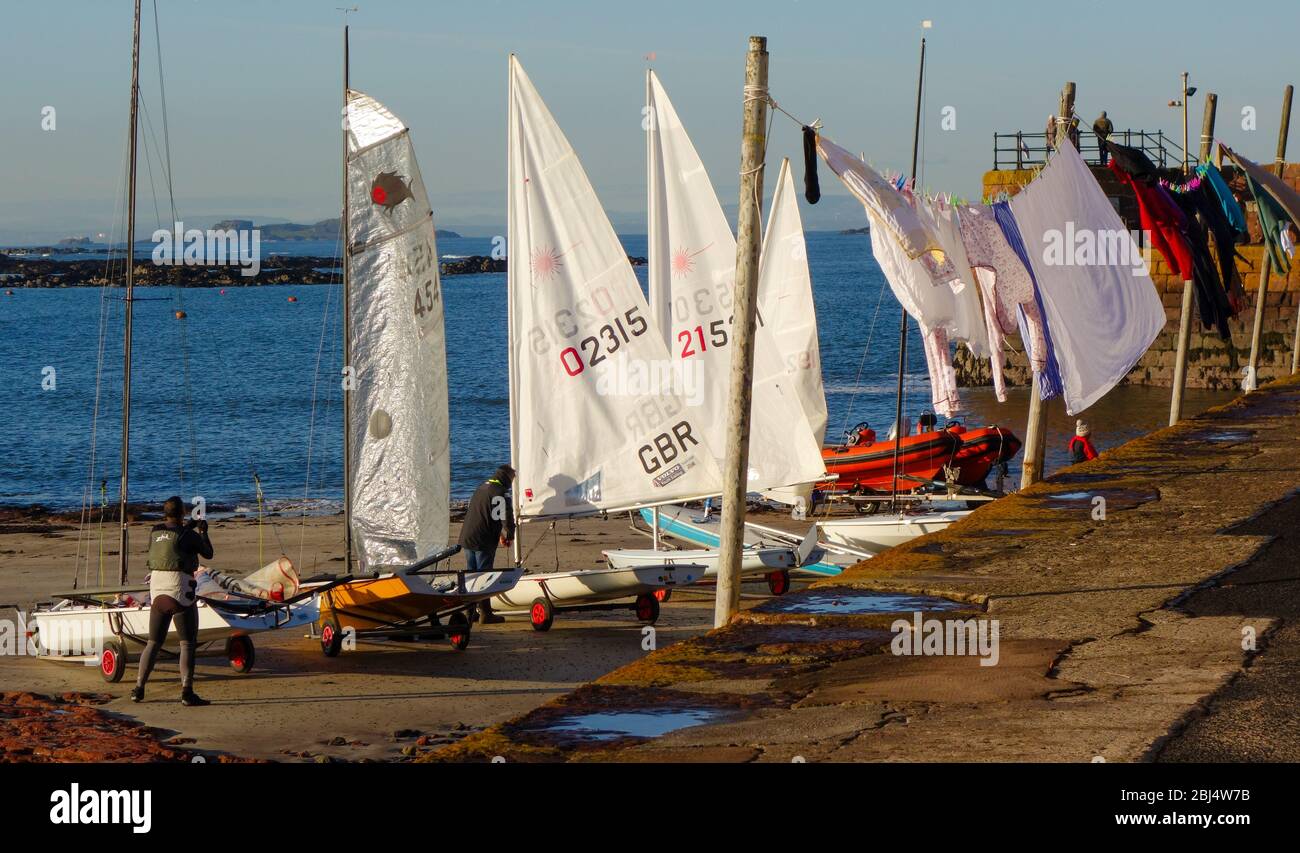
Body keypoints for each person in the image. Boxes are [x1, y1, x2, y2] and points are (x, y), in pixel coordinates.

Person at [131, 496, 213, 706]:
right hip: (180, 590)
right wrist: (202, 532)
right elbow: (208, 553)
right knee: (187, 643)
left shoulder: (155, 530)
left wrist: (189, 527)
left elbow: (174, 537)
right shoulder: (189, 535)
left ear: (164, 512)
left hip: (157, 591)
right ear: (183, 511)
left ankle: (138, 689)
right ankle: (187, 692)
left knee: (153, 642)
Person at [458, 465, 516, 625]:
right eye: (513, 477)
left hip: (468, 537)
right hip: (482, 540)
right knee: (484, 575)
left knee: (472, 574)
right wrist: (510, 535)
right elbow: (505, 516)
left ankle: (470, 612)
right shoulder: (500, 493)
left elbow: (487, 515)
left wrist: (499, 535)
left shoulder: (482, 487)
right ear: (506, 477)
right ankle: (485, 614)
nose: (513, 481)